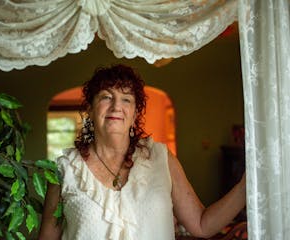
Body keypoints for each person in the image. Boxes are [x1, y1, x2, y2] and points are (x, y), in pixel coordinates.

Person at [38, 64, 246, 240]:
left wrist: (245, 187)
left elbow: (202, 225)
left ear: (135, 113)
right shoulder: (64, 169)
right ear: (90, 109)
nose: (116, 106)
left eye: (126, 99)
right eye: (106, 97)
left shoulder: (161, 158)